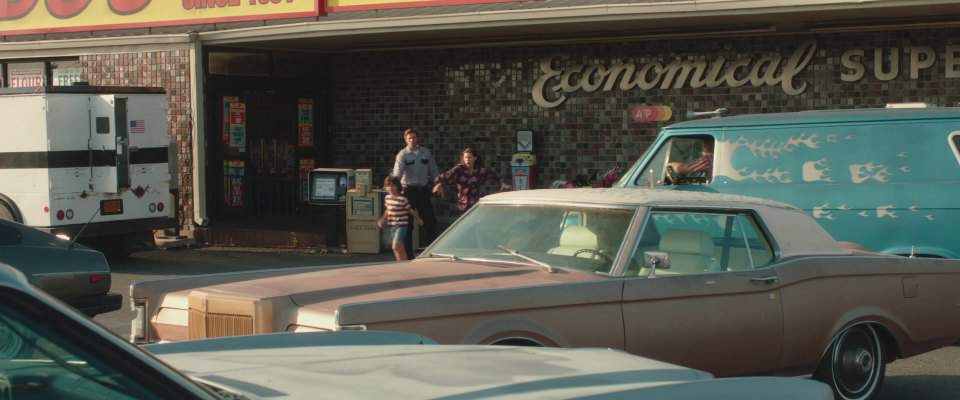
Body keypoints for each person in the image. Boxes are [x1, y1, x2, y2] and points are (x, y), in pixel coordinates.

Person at [392, 128, 439, 259]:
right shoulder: (402, 155)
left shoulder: (425, 152)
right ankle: (409, 255)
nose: (412, 140)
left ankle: (431, 252)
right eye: (409, 138)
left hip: (423, 191)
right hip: (408, 191)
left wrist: (438, 183)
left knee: (430, 221)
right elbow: (397, 174)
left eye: (414, 137)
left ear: (418, 138)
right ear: (405, 140)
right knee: (408, 224)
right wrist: (395, 191)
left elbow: (434, 169)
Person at [432, 147, 510, 214]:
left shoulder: (480, 170)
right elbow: (444, 176)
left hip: (476, 204)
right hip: (463, 205)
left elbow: (495, 175)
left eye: (470, 157)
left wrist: (502, 183)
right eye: (465, 157)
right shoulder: (459, 169)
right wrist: (438, 184)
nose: (467, 160)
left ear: (475, 158)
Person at [378, 176, 423, 262]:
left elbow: (411, 211)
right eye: (388, 185)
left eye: (393, 185)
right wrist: (382, 219)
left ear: (398, 186)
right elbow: (387, 210)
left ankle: (403, 263)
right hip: (392, 225)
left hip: (402, 225)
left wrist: (418, 219)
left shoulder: (402, 199)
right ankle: (402, 263)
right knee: (399, 247)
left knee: (395, 246)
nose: (390, 188)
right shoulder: (387, 198)